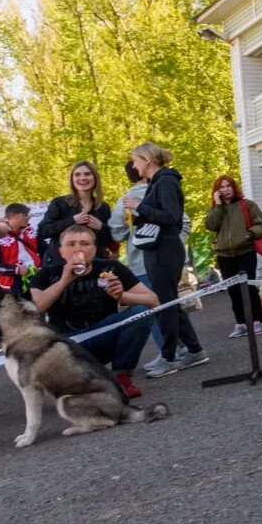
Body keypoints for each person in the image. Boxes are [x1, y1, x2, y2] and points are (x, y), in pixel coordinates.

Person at [29, 223, 160, 399]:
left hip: (104, 336)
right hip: (68, 347)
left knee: (140, 311)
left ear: (94, 248)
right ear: (61, 251)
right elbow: (36, 309)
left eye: (84, 243)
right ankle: (76, 385)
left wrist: (123, 296)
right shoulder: (46, 274)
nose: (78, 249)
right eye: (71, 244)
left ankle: (121, 377)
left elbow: (153, 301)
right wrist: (63, 281)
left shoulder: (111, 268)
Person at [124, 142, 209, 378]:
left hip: (165, 250)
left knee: (166, 304)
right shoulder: (157, 183)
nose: (133, 165)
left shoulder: (166, 181)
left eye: (135, 160)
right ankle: (194, 350)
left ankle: (169, 356)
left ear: (147, 160)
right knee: (169, 301)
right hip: (158, 250)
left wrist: (139, 206)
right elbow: (160, 216)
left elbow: (172, 217)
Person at [109, 160, 191, 363]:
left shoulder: (127, 200)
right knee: (172, 305)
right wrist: (174, 243)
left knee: (158, 308)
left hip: (143, 261)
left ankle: (169, 353)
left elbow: (117, 233)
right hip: (170, 257)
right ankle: (191, 349)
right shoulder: (161, 187)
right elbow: (184, 221)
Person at [204, 175, 262, 339]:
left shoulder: (247, 205)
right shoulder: (215, 209)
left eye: (228, 186)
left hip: (245, 252)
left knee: (249, 288)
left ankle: (258, 321)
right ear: (217, 191)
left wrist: (248, 235)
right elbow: (210, 225)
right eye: (222, 187)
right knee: (233, 290)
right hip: (224, 255)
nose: (226, 189)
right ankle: (240, 323)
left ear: (234, 187)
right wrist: (218, 206)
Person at [37, 161, 114, 267]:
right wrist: (72, 221)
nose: (82, 178)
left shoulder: (103, 207)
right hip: (60, 265)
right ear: (72, 180)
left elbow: (110, 239)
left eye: (87, 174)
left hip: (93, 266)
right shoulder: (59, 203)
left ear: (95, 178)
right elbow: (43, 231)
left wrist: (101, 227)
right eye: (77, 174)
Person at [0, 203, 40, 297]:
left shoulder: (30, 231)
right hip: (13, 285)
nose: (29, 217)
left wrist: (42, 266)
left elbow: (45, 250)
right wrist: (17, 270)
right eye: (25, 215)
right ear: (14, 216)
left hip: (36, 278)